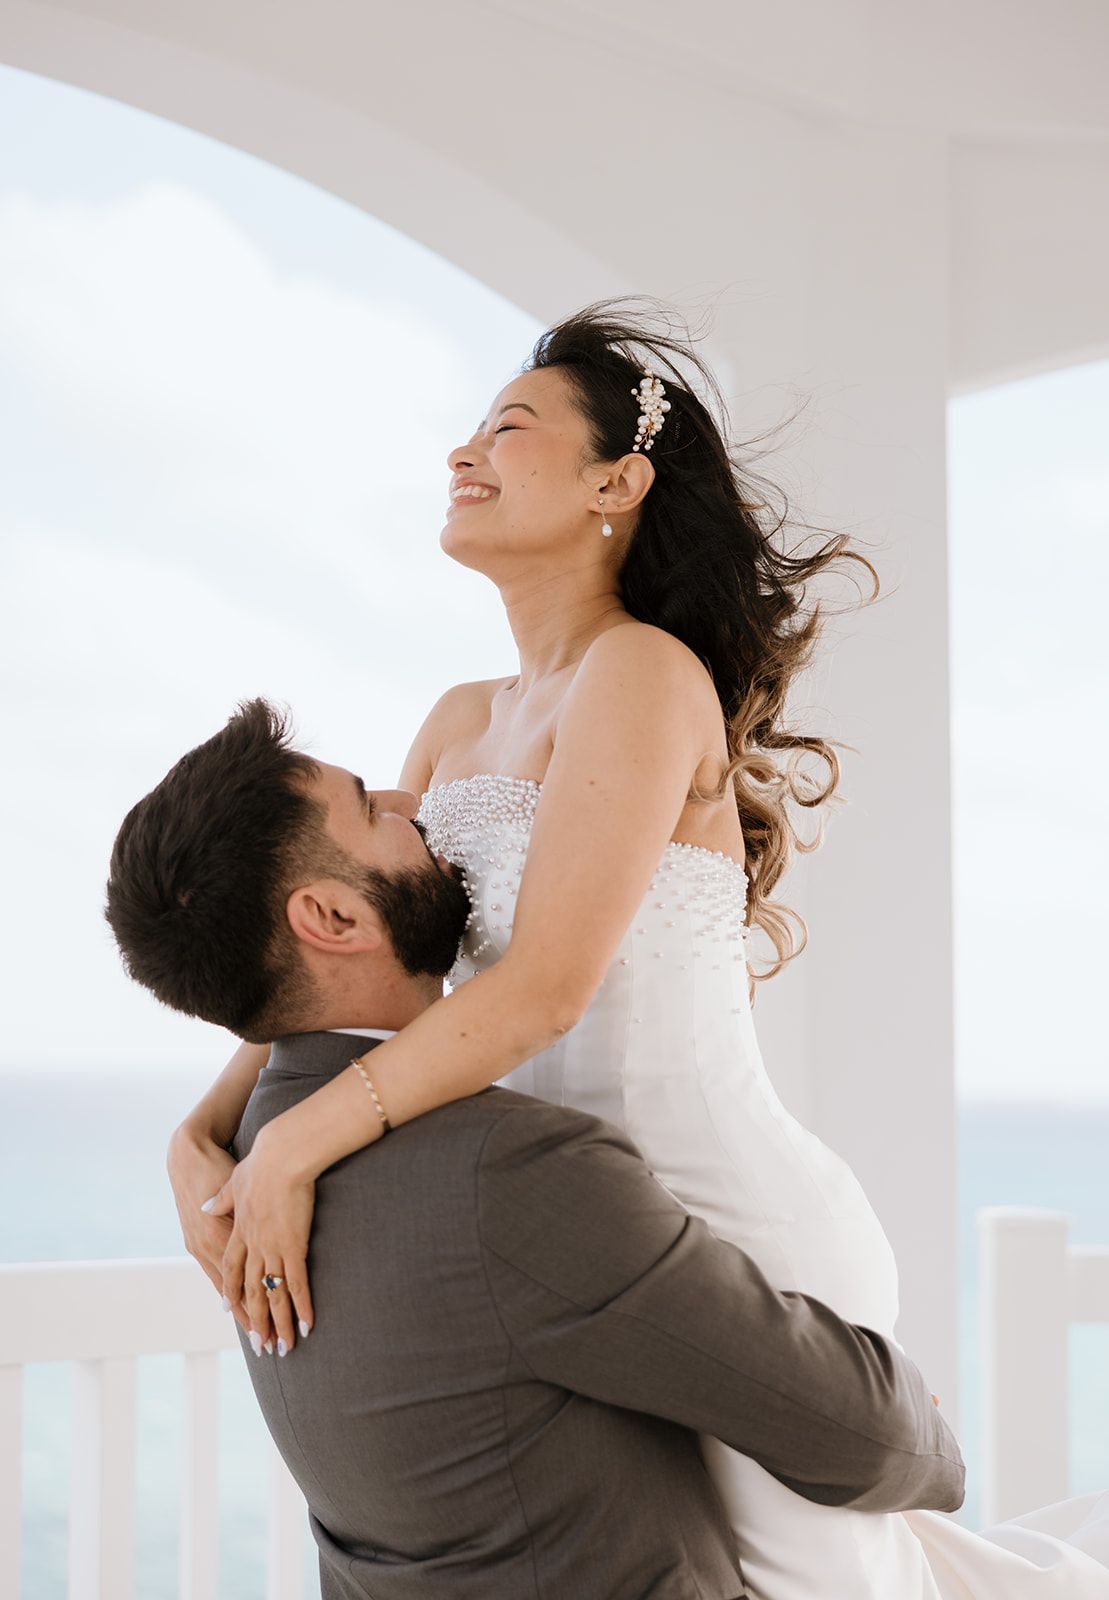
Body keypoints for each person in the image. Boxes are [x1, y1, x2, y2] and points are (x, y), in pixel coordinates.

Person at [160, 299, 1109, 1596]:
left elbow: (543, 989)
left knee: (825, 1582)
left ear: (619, 480)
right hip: (570, 1243)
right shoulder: (453, 721)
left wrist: (305, 1141)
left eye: (507, 427)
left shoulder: (643, 675)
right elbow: (358, 951)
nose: (462, 453)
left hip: (731, 1219)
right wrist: (205, 1135)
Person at [104, 700, 964, 1598]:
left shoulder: (243, 1166)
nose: (412, 802)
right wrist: (930, 1431)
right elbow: (856, 1435)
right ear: (329, 915)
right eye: (368, 808)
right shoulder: (503, 1175)